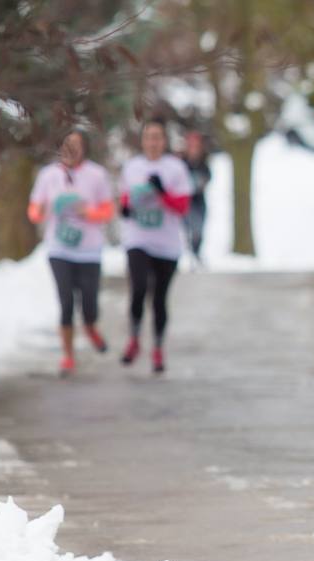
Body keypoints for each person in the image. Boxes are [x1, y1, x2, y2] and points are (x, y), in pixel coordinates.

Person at [28, 129, 115, 377]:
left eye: (77, 145)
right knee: (66, 302)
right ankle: (68, 356)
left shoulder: (97, 175)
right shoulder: (48, 175)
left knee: (89, 303)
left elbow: (108, 211)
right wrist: (42, 212)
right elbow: (34, 208)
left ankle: (90, 327)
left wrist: (88, 213)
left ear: (84, 148)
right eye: (67, 144)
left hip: (89, 251)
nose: (72, 149)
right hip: (59, 249)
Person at [118, 117, 193, 374]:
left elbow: (183, 207)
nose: (153, 142)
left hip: (167, 244)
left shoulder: (176, 168)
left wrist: (162, 193)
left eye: (158, 137)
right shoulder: (132, 167)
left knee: (159, 298)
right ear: (142, 140)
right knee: (138, 288)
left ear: (165, 141)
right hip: (138, 239)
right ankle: (134, 339)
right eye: (149, 137)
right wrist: (126, 207)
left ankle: (158, 348)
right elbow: (124, 199)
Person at [182, 129, 212, 265]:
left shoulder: (203, 163)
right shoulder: (182, 163)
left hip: (199, 201)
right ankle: (190, 254)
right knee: (189, 229)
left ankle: (196, 252)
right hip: (186, 202)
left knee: (199, 229)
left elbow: (207, 179)